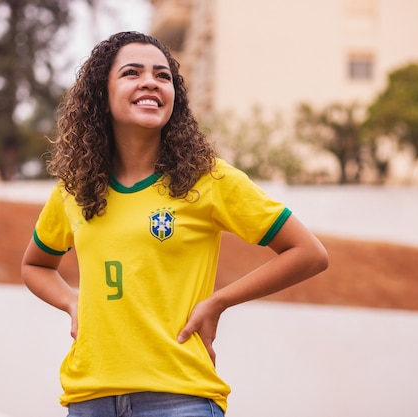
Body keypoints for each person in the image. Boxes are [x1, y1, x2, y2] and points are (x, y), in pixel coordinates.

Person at [21, 31, 329, 417]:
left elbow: (309, 254)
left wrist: (219, 302)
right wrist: (71, 302)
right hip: (89, 398)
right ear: (102, 94)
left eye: (162, 76)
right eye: (132, 72)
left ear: (174, 97)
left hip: (179, 399)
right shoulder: (75, 190)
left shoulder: (210, 180)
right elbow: (35, 265)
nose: (150, 81)